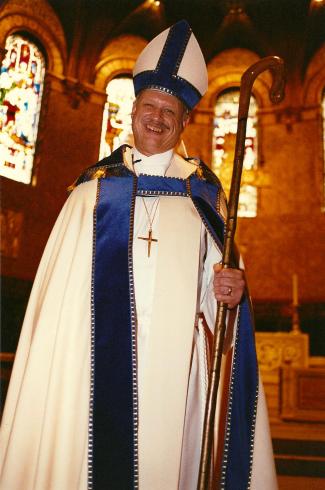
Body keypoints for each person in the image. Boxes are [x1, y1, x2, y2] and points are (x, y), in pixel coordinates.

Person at [0, 20, 277, 490]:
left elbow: (220, 302)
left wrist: (230, 293)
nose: (158, 118)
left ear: (185, 121)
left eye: (170, 111)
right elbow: (57, 313)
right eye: (150, 106)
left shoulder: (206, 199)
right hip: (91, 376)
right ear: (132, 111)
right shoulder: (91, 193)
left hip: (178, 380)